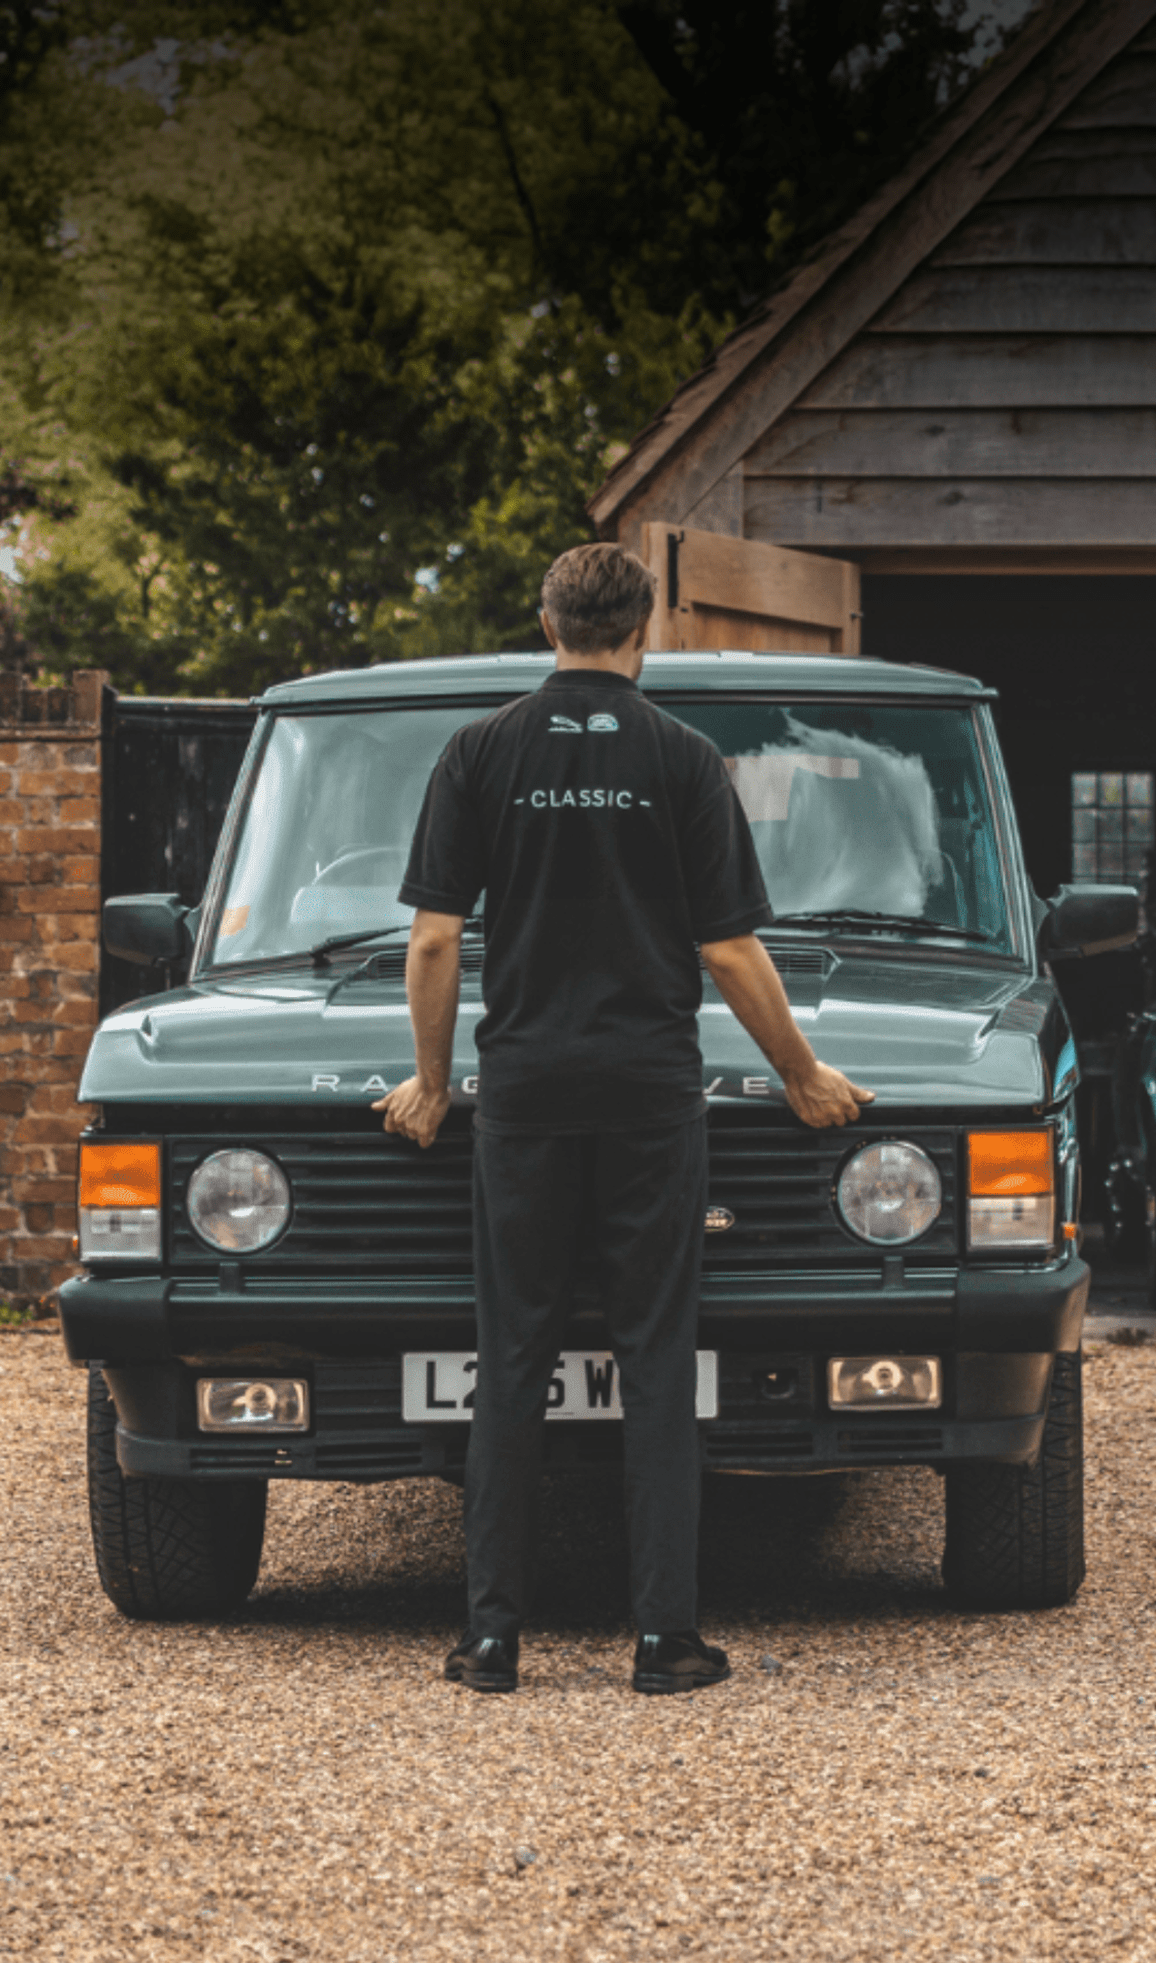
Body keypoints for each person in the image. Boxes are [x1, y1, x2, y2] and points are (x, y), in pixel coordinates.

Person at [372, 543, 870, 1696]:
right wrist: (801, 1073)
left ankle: (490, 1639)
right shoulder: (683, 758)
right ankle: (664, 1640)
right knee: (655, 1359)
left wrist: (434, 1081)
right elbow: (729, 949)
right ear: (645, 622)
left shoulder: (480, 750)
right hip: (650, 1094)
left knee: (514, 1358)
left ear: (547, 621)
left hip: (528, 1095)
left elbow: (435, 938)